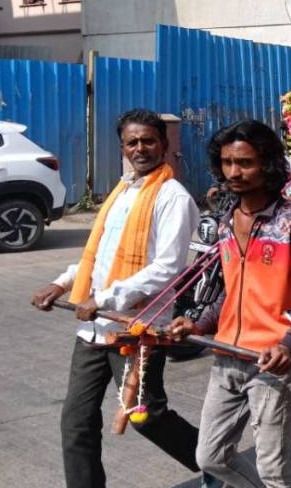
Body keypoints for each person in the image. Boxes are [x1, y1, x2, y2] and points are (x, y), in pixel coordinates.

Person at [30, 109, 207, 488]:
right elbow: (98, 256)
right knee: (76, 421)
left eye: (148, 140)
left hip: (139, 328)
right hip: (96, 330)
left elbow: (168, 267)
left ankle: (218, 463)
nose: (140, 148)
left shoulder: (172, 197)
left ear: (163, 144)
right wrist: (61, 284)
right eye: (132, 142)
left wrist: (107, 297)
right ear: (122, 147)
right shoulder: (122, 191)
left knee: (146, 417)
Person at [169, 120, 291, 488]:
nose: (235, 172)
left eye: (245, 162)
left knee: (273, 469)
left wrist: (290, 345)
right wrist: (197, 324)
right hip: (227, 354)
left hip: (271, 363)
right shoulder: (227, 221)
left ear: (267, 165)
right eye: (228, 163)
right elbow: (233, 292)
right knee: (210, 457)